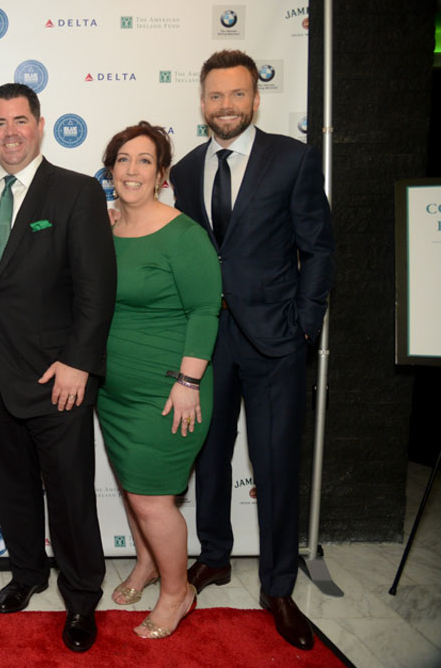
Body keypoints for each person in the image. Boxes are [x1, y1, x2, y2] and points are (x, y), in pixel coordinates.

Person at [169, 49, 334, 650]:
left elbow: (319, 247)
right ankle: (215, 556)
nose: (226, 105)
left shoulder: (291, 159)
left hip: (275, 340)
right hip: (208, 342)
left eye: (237, 94)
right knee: (209, 454)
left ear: (256, 99)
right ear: (202, 103)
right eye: (216, 95)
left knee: (275, 463)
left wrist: (305, 325)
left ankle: (278, 585)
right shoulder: (186, 169)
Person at [0, 83, 117, 652]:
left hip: (57, 377)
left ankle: (82, 597)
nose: (10, 133)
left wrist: (78, 362)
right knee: (11, 486)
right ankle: (27, 573)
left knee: (70, 493)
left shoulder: (75, 192)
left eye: (20, 120)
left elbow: (97, 288)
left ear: (40, 125)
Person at [96, 122, 222, 639]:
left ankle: (177, 591)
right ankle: (147, 564)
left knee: (153, 499)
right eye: (123, 160)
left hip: (169, 390)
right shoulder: (104, 230)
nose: (132, 170)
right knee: (134, 489)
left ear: (162, 174)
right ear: (110, 171)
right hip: (113, 392)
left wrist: (188, 382)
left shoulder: (183, 234)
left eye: (144, 160)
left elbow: (205, 311)